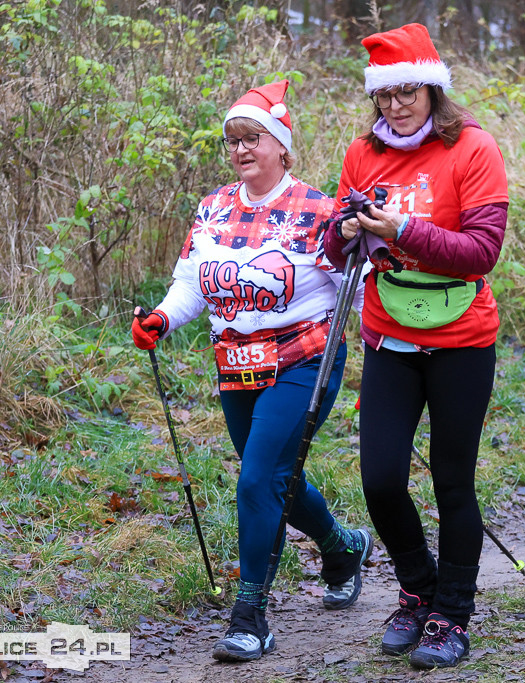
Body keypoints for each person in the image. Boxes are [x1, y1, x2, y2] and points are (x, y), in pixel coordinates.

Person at [130, 79, 373, 663]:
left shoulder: (319, 210)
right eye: (232, 140)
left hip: (304, 361)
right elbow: (192, 282)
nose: (240, 149)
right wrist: (162, 317)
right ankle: (342, 547)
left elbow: (357, 292)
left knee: (257, 479)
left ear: (283, 148)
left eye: (253, 138)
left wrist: (382, 362)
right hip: (236, 364)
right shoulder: (213, 208)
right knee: (274, 479)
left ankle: (250, 616)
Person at [323, 23, 508, 670]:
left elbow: (482, 251)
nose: (396, 106)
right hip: (390, 332)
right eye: (385, 97)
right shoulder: (362, 152)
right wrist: (344, 229)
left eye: (409, 93)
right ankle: (416, 587)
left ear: (433, 89)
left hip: (462, 337)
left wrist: (404, 226)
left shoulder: (473, 149)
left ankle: (451, 614)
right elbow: (333, 247)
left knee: (453, 481)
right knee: (379, 479)